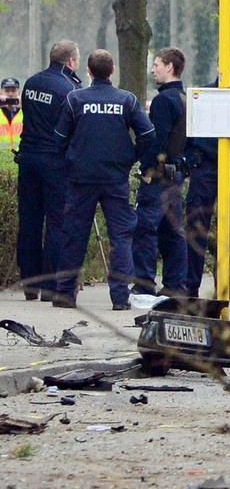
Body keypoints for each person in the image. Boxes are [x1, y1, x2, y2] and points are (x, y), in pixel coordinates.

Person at [50, 49, 153, 311]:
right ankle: (120, 297)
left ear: (89, 71)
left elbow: (58, 139)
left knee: (74, 235)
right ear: (113, 70)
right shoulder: (126, 100)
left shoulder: (75, 100)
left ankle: (65, 294)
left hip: (81, 179)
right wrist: (131, 157)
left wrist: (71, 160)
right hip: (115, 178)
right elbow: (148, 134)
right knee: (121, 237)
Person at [16, 42, 82, 300]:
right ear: (71, 62)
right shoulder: (69, 89)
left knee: (29, 221)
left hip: (29, 157)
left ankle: (30, 284)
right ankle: (50, 284)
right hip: (55, 162)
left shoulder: (31, 83)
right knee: (57, 222)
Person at [129, 47, 191, 305]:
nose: (153, 69)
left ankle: (143, 285)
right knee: (173, 230)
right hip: (175, 175)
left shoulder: (164, 101)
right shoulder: (184, 97)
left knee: (145, 229)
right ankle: (175, 285)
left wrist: (146, 168)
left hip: (159, 176)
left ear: (170, 67)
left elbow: (158, 139)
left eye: (156, 64)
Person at [182, 51, 230, 298]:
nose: (226, 72)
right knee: (197, 226)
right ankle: (190, 285)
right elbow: (191, 132)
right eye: (222, 66)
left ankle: (227, 285)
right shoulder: (204, 96)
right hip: (206, 168)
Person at [0, 78, 22, 166]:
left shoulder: (26, 111)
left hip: (19, 163)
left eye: (13, 90)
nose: (10, 94)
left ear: (19, 92)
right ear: (1, 92)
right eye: (7, 90)